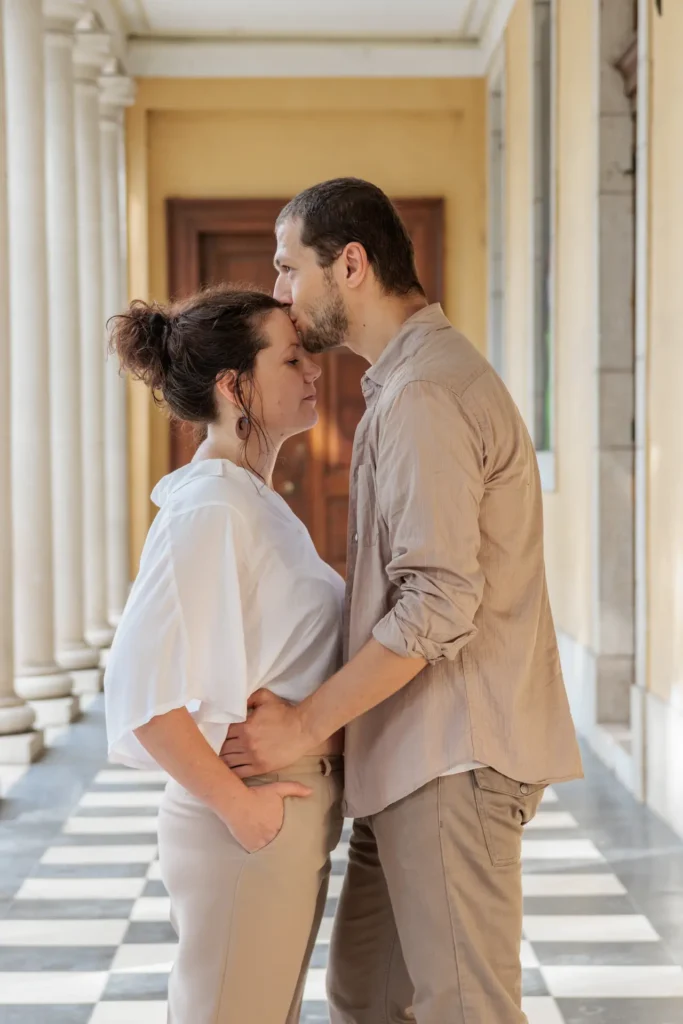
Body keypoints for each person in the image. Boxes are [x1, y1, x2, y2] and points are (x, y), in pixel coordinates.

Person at [220, 178, 584, 1024]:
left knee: (466, 1008)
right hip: (408, 756)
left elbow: (438, 602)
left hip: (448, 759)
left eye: (287, 267)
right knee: (365, 995)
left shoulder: (423, 393)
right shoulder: (407, 381)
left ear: (349, 264)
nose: (279, 291)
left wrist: (308, 722)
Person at [104, 286, 345, 1024]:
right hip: (248, 820)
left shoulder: (248, 498)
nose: (313, 374)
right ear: (232, 385)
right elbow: (141, 693)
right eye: (292, 358)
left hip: (277, 812)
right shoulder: (210, 505)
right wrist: (241, 810)